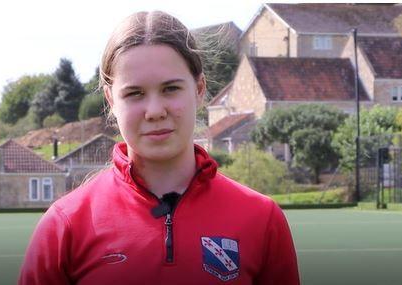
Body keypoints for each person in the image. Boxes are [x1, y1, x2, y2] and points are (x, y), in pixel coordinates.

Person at [18, 10, 299, 285]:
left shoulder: (261, 218)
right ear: (111, 100)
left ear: (199, 89)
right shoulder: (66, 224)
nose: (154, 111)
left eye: (170, 89)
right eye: (134, 93)